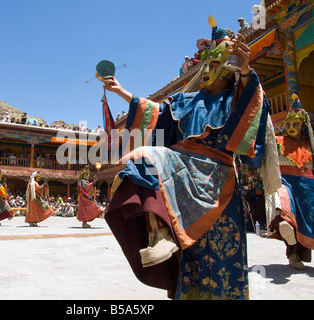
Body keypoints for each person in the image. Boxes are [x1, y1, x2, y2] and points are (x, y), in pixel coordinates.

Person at [103, 16, 280, 300]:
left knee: (223, 252)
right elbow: (155, 113)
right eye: (205, 63)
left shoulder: (236, 99)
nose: (207, 69)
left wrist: (247, 74)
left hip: (218, 177)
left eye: (214, 63)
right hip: (180, 171)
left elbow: (253, 111)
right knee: (144, 160)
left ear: (229, 67)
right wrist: (121, 91)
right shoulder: (186, 101)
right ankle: (158, 232)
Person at [267, 95, 314, 270]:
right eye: (288, 124)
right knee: (286, 209)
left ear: (303, 125)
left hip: (308, 188)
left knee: (304, 223)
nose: (291, 127)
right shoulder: (278, 142)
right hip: (286, 182)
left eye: (295, 124)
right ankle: (290, 245)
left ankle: (297, 253)